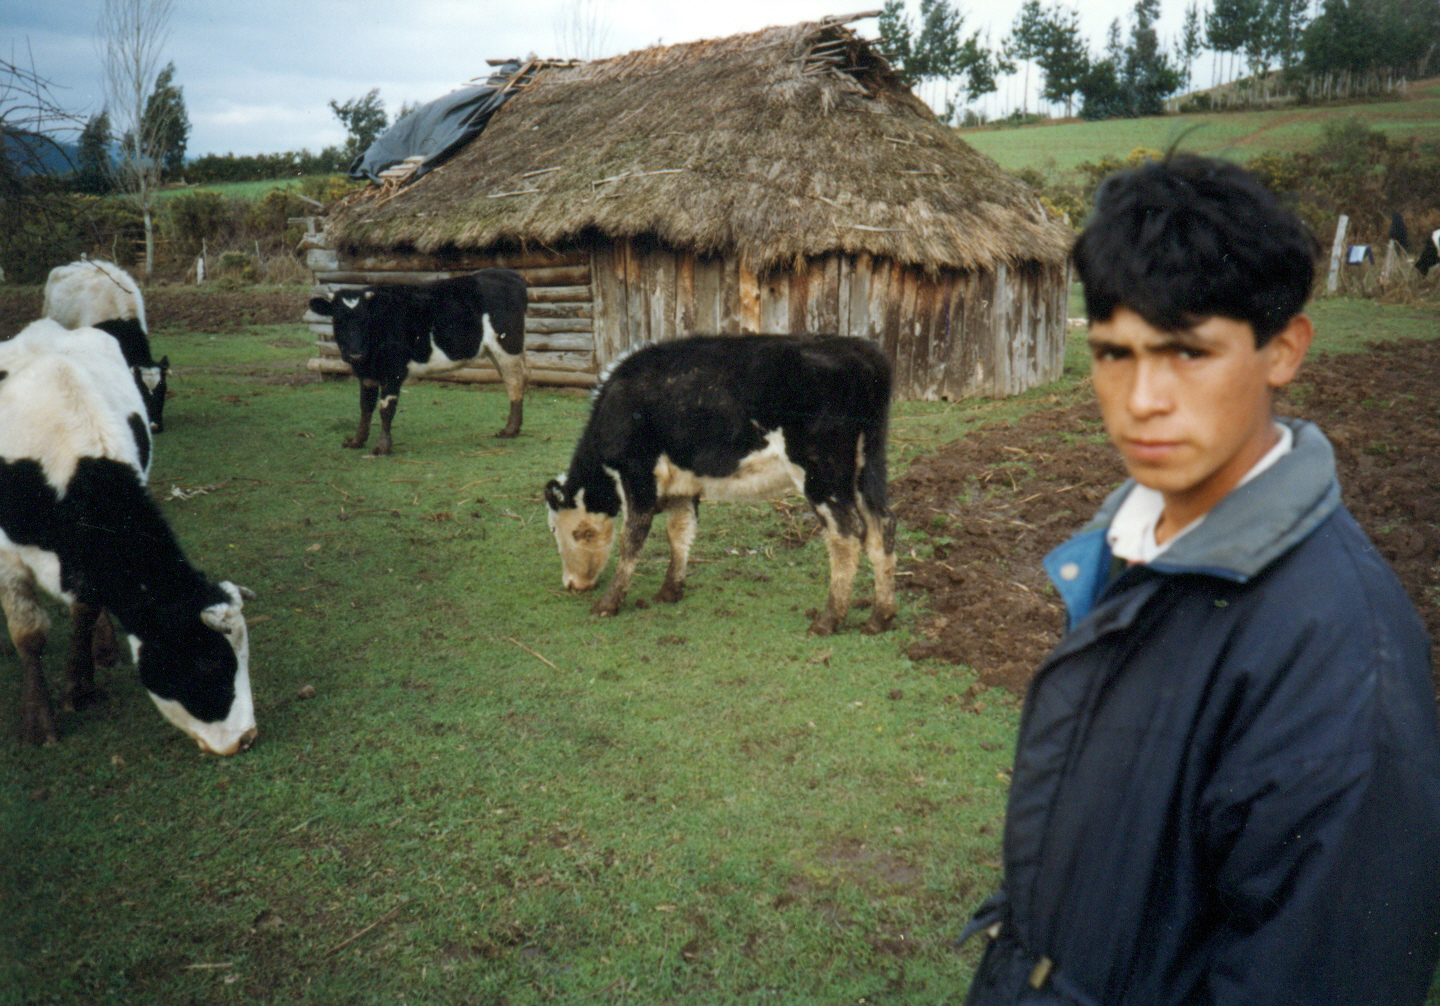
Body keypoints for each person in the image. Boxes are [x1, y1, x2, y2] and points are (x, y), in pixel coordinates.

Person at [960, 154, 1440, 1005]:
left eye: (1188, 353)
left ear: (1283, 349)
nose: (1142, 398)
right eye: (1115, 354)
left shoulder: (1339, 661)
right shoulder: (1130, 547)